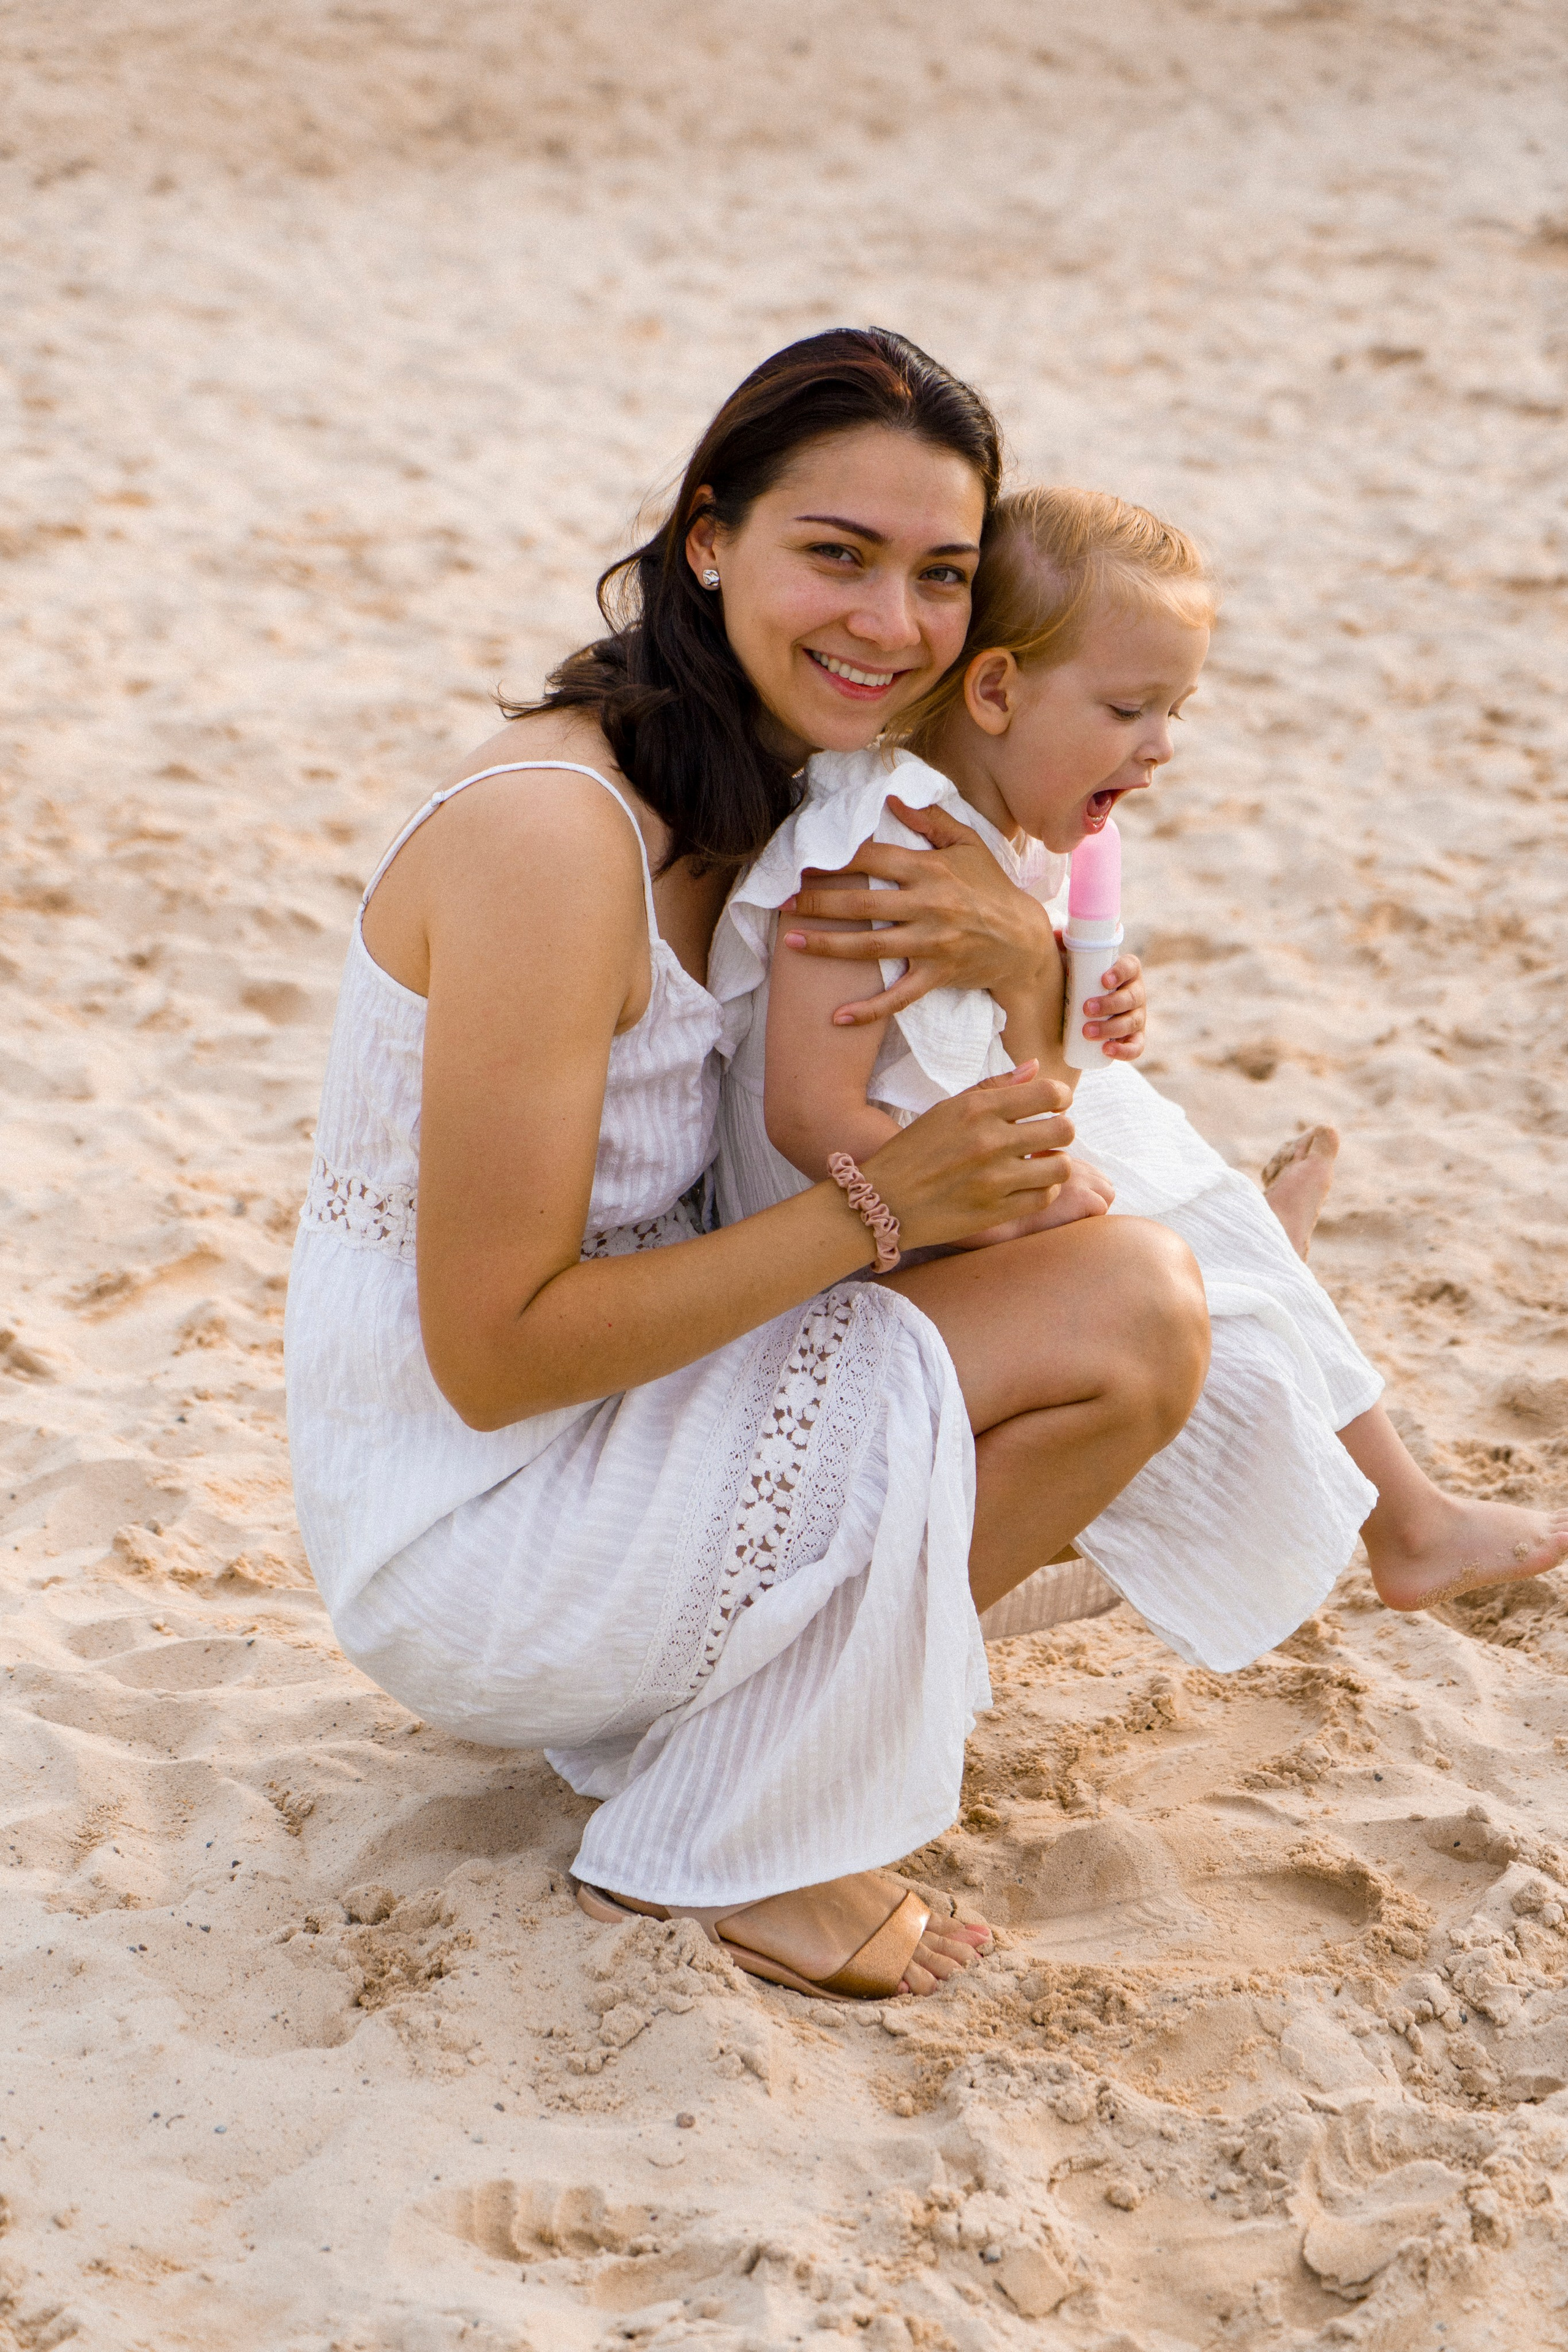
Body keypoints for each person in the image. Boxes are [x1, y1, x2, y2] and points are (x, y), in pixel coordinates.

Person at [284, 330, 1211, 2004]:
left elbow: (983, 1100)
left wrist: (1036, 968)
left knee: (1162, 1304)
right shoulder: (554, 839)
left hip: (637, 1419)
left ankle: (721, 1757)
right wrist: (884, 1212)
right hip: (474, 1527)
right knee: (1133, 1318)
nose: (893, 623)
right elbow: (491, 1360)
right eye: (835, 557)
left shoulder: (799, 797)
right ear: (708, 540)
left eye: (940, 575)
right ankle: (727, 1832)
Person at [715, 483, 1568, 1648]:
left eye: (1177, 711)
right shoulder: (877, 852)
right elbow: (806, 1117)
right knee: (1202, 1247)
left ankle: (1378, 1469)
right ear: (999, 688)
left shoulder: (1009, 838)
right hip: (858, 1244)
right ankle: (1382, 1482)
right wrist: (1003, 1215)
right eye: (1128, 708)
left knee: (1173, 1169)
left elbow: (1017, 1061)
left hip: (960, 1182)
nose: (1160, 750)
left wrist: (1072, 994)